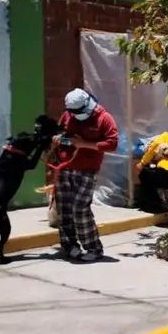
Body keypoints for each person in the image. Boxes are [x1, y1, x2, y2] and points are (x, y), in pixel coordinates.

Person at [54, 88, 119, 262]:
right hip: (64, 167)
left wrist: (85, 144)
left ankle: (93, 248)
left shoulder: (104, 118)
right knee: (64, 209)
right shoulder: (67, 116)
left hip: (86, 169)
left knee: (80, 209)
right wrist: (59, 140)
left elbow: (112, 144)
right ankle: (69, 246)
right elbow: (65, 137)